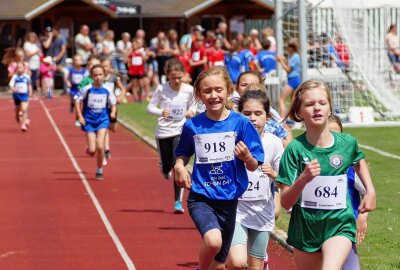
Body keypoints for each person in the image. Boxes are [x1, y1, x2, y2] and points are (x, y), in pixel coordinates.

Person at [276, 79, 376, 270]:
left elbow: (358, 161)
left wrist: (370, 191)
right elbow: (286, 202)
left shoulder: (347, 143)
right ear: (299, 112)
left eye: (322, 103)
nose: (317, 108)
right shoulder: (294, 150)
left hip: (340, 224)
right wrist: (303, 179)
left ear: (330, 108)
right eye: (310, 104)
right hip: (306, 229)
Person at [174, 66, 264, 270]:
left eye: (218, 90)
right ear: (199, 94)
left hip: (229, 200)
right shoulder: (193, 125)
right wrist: (179, 165)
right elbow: (183, 152)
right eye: (207, 91)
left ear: (228, 90)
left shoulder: (241, 124)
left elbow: (253, 165)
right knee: (213, 241)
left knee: (220, 264)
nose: (213, 95)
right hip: (201, 196)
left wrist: (247, 156)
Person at [228, 89, 284, 270]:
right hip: (237, 210)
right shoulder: (232, 141)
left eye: (258, 113)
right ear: (239, 115)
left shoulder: (274, 143)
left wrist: (273, 175)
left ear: (267, 117)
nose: (253, 118)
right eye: (247, 113)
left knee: (256, 266)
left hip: (262, 212)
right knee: (237, 262)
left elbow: (285, 179)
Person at [147, 59, 195, 213]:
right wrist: (161, 112)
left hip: (180, 130)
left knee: (177, 166)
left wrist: (191, 111)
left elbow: (195, 104)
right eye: (173, 77)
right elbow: (150, 107)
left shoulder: (188, 90)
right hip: (163, 131)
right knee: (167, 167)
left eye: (179, 77)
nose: (177, 81)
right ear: (167, 75)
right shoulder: (161, 89)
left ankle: (177, 202)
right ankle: (163, 166)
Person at [328, 115, 369, 270]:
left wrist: (363, 217)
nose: (334, 138)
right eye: (330, 133)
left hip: (345, 224)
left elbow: (367, 192)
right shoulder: (312, 160)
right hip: (319, 225)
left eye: (338, 134)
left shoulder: (350, 164)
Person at [74, 64, 117, 180]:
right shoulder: (87, 89)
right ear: (92, 76)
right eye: (95, 75)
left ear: (104, 75)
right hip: (89, 121)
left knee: (100, 145)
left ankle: (99, 170)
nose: (98, 77)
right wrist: (80, 116)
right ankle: (90, 149)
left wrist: (113, 112)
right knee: (92, 150)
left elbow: (113, 103)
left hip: (103, 120)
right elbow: (77, 101)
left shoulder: (107, 89)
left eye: (100, 75)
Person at [232, 71, 293, 147]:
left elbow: (285, 133)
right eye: (244, 85)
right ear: (237, 88)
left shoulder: (271, 120)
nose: (250, 89)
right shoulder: (231, 112)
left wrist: (276, 143)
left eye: (258, 113)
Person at [102, 58, 126, 160]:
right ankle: (107, 149)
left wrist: (121, 97)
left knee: (113, 128)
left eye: (107, 66)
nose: (105, 68)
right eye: (103, 66)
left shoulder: (114, 78)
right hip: (103, 106)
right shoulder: (99, 78)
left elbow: (123, 88)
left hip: (113, 106)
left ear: (110, 67)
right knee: (105, 128)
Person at [277, 39, 302, 118]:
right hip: (294, 79)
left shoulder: (295, 56)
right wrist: (284, 61)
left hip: (293, 80)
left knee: (281, 100)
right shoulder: (293, 56)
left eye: (287, 47)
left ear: (292, 48)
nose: (286, 49)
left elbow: (288, 70)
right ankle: (296, 118)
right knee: (293, 101)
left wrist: (281, 61)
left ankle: (282, 120)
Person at [9, 62, 33, 131]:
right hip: (17, 96)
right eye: (18, 68)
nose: (19, 69)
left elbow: (29, 85)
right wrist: (14, 89)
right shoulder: (15, 76)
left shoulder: (27, 77)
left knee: (24, 110)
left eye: (20, 67)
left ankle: (23, 125)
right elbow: (11, 85)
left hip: (24, 95)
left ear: (24, 68)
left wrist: (30, 91)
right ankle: (17, 115)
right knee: (18, 109)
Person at [66, 54, 87, 124]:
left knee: (79, 103)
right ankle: (71, 104)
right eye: (76, 60)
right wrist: (68, 82)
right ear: (73, 62)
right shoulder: (71, 70)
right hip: (73, 88)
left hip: (80, 89)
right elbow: (67, 78)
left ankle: (77, 118)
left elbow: (86, 80)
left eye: (79, 60)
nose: (78, 62)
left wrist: (83, 85)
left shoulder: (84, 70)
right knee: (74, 101)